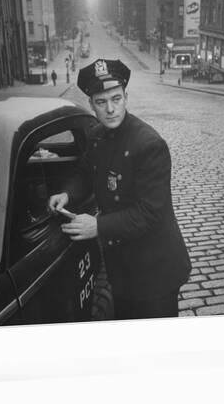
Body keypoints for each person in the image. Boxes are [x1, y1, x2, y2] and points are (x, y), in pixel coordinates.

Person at [48, 58, 191, 320]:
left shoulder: (149, 145)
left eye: (116, 99)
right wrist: (67, 193)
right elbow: (85, 174)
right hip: (122, 267)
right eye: (101, 102)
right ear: (91, 105)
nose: (110, 109)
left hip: (154, 271)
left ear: (126, 97)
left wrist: (97, 226)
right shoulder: (96, 136)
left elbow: (149, 212)